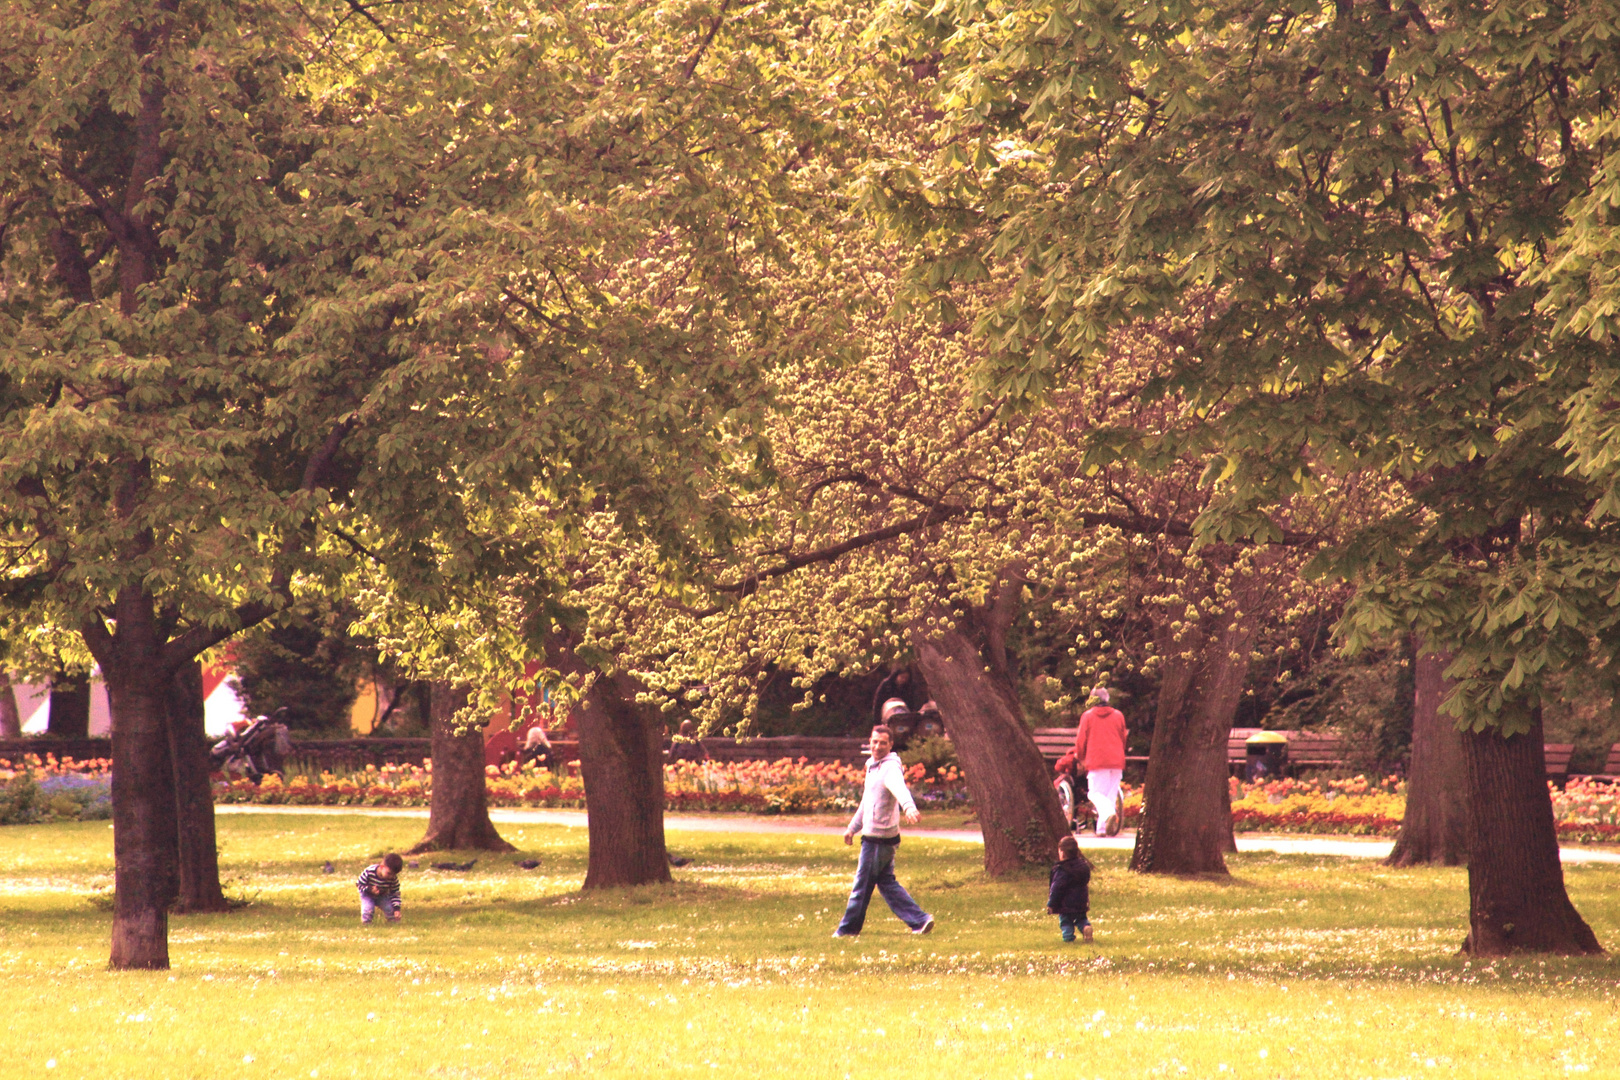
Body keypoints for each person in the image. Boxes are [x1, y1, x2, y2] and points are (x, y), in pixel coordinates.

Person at [833, 724, 934, 938]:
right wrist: (852, 828)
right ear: (869, 742)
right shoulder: (872, 765)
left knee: (862, 885)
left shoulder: (890, 768)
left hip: (879, 838)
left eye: (883, 743)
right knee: (886, 882)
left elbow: (899, 788)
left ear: (891, 745)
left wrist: (909, 807)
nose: (877, 746)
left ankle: (848, 929)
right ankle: (920, 920)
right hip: (873, 835)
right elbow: (867, 802)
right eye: (874, 741)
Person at [1072, 687, 1128, 837]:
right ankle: (1102, 829)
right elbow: (1123, 738)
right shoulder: (1118, 715)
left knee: (1095, 794)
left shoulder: (1088, 716)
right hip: (1116, 760)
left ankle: (1109, 814)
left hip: (1097, 760)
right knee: (1109, 795)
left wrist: (1080, 758)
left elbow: (1081, 740)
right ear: (1107, 699)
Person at [1047, 835, 1093, 943]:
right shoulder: (1083, 866)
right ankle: (1086, 927)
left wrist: (1051, 904)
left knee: (1065, 921)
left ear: (1062, 853)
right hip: (1081, 901)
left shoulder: (1061, 870)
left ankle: (1068, 937)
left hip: (1066, 903)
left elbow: (1056, 888)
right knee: (1081, 918)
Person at [356, 852, 405, 924]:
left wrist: (396, 909)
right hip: (367, 894)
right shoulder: (369, 872)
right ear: (382, 867)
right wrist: (369, 889)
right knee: (368, 909)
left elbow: (395, 893)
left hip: (382, 895)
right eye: (389, 873)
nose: (391, 877)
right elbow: (359, 884)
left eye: (394, 875)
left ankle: (393, 923)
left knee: (389, 908)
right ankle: (366, 923)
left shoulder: (393, 879)